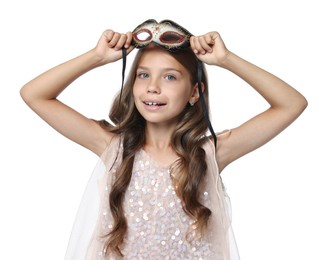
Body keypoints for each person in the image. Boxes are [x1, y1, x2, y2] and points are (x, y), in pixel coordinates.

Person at [20, 19, 307, 260]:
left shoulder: (210, 154)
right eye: (143, 75)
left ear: (195, 92)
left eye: (170, 77)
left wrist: (226, 59)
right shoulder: (113, 147)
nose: (153, 87)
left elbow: (291, 104)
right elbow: (34, 94)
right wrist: (96, 57)